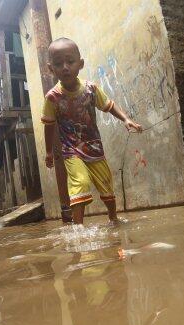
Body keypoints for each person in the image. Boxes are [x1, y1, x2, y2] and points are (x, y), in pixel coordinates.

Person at [42, 37, 143, 225]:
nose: (65, 67)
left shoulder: (91, 89)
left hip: (94, 146)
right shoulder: (53, 98)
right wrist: (48, 152)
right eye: (58, 64)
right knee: (80, 182)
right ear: (51, 69)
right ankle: (78, 228)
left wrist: (126, 119)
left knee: (106, 185)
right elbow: (48, 126)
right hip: (71, 150)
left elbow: (109, 105)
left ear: (80, 64)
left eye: (70, 62)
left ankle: (113, 218)